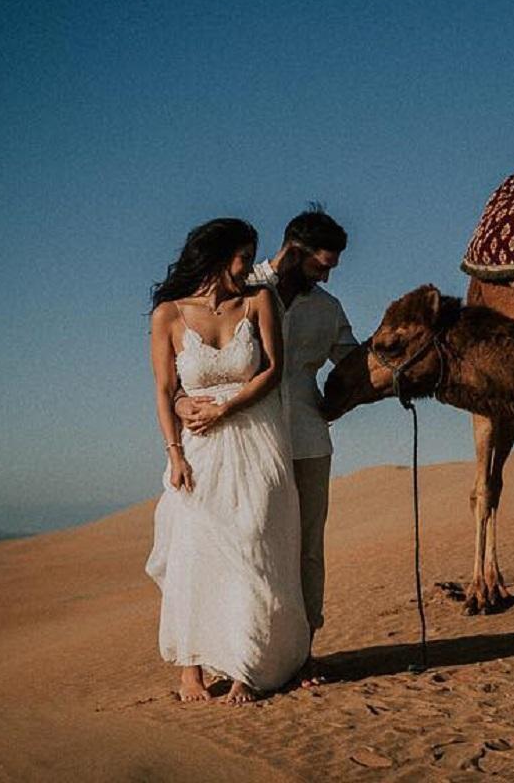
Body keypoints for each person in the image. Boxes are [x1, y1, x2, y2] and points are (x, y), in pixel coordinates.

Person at [177, 206, 357, 676]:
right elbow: (190, 366)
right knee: (245, 545)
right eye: (321, 266)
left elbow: (354, 367)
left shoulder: (328, 309)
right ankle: (239, 651)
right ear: (295, 253)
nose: (327, 277)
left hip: (307, 438)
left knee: (306, 548)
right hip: (247, 441)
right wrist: (179, 404)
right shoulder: (241, 287)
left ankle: (300, 653)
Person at [145, 217, 310, 704]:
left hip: (255, 438)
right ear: (219, 258)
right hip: (196, 449)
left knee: (253, 548)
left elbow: (274, 371)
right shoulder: (169, 315)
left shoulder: (258, 301)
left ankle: (245, 663)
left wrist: (225, 407)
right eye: (244, 257)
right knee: (193, 551)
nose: (249, 268)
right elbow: (163, 390)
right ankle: (191, 669)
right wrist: (174, 452)